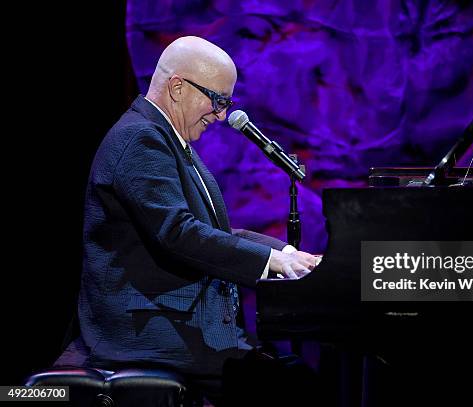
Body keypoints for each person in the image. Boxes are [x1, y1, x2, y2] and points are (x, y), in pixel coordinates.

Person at [55, 36, 318, 403]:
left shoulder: (168, 140)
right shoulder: (140, 140)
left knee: (292, 375)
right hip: (148, 334)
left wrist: (286, 253)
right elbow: (179, 234)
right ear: (178, 87)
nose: (222, 115)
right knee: (291, 384)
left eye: (227, 103)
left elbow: (211, 232)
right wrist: (272, 261)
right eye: (218, 100)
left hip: (175, 326)